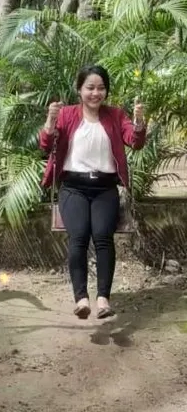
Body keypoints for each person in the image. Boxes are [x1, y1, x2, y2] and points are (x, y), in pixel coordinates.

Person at [39, 64, 146, 320]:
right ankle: (81, 299)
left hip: (104, 188)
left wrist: (139, 121)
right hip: (73, 188)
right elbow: (46, 145)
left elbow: (135, 141)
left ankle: (103, 299)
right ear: (79, 90)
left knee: (102, 236)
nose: (95, 93)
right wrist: (51, 121)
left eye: (100, 88)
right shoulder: (66, 115)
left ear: (106, 91)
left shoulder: (116, 115)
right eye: (90, 88)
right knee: (79, 236)